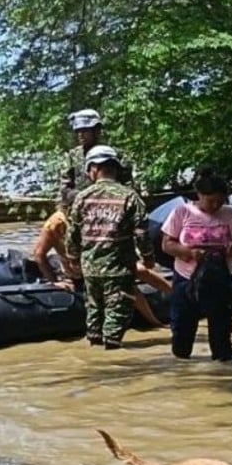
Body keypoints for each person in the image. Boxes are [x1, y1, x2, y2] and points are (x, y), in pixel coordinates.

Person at [64, 145, 154, 349]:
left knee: (94, 311)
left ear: (95, 169)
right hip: (119, 268)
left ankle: (94, 351)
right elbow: (141, 233)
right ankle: (112, 354)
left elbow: (73, 233)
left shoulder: (82, 197)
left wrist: (72, 259)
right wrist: (148, 258)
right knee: (117, 313)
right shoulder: (129, 196)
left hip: (90, 268)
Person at [31, 206, 171, 327]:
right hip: (79, 272)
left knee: (141, 270)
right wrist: (55, 281)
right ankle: (155, 322)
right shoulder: (55, 225)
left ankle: (180, 297)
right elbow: (39, 254)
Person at [160, 167, 232, 361]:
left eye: (220, 201)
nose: (215, 205)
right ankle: (182, 368)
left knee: (221, 331)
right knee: (182, 329)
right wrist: (189, 252)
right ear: (199, 195)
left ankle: (223, 367)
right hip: (186, 278)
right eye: (210, 201)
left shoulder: (230, 213)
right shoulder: (182, 212)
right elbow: (167, 244)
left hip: (219, 279)